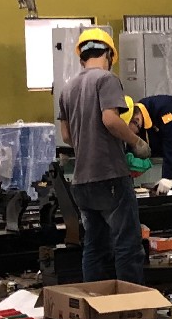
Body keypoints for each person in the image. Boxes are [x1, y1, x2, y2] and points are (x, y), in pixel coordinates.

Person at [55, 26, 149, 283]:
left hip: (82, 182)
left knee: (95, 246)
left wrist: (88, 141)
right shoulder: (107, 80)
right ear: (108, 54)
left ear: (82, 57)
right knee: (127, 245)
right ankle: (132, 302)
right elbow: (110, 119)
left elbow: (66, 136)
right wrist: (136, 142)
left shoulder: (68, 88)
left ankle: (96, 301)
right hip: (110, 176)